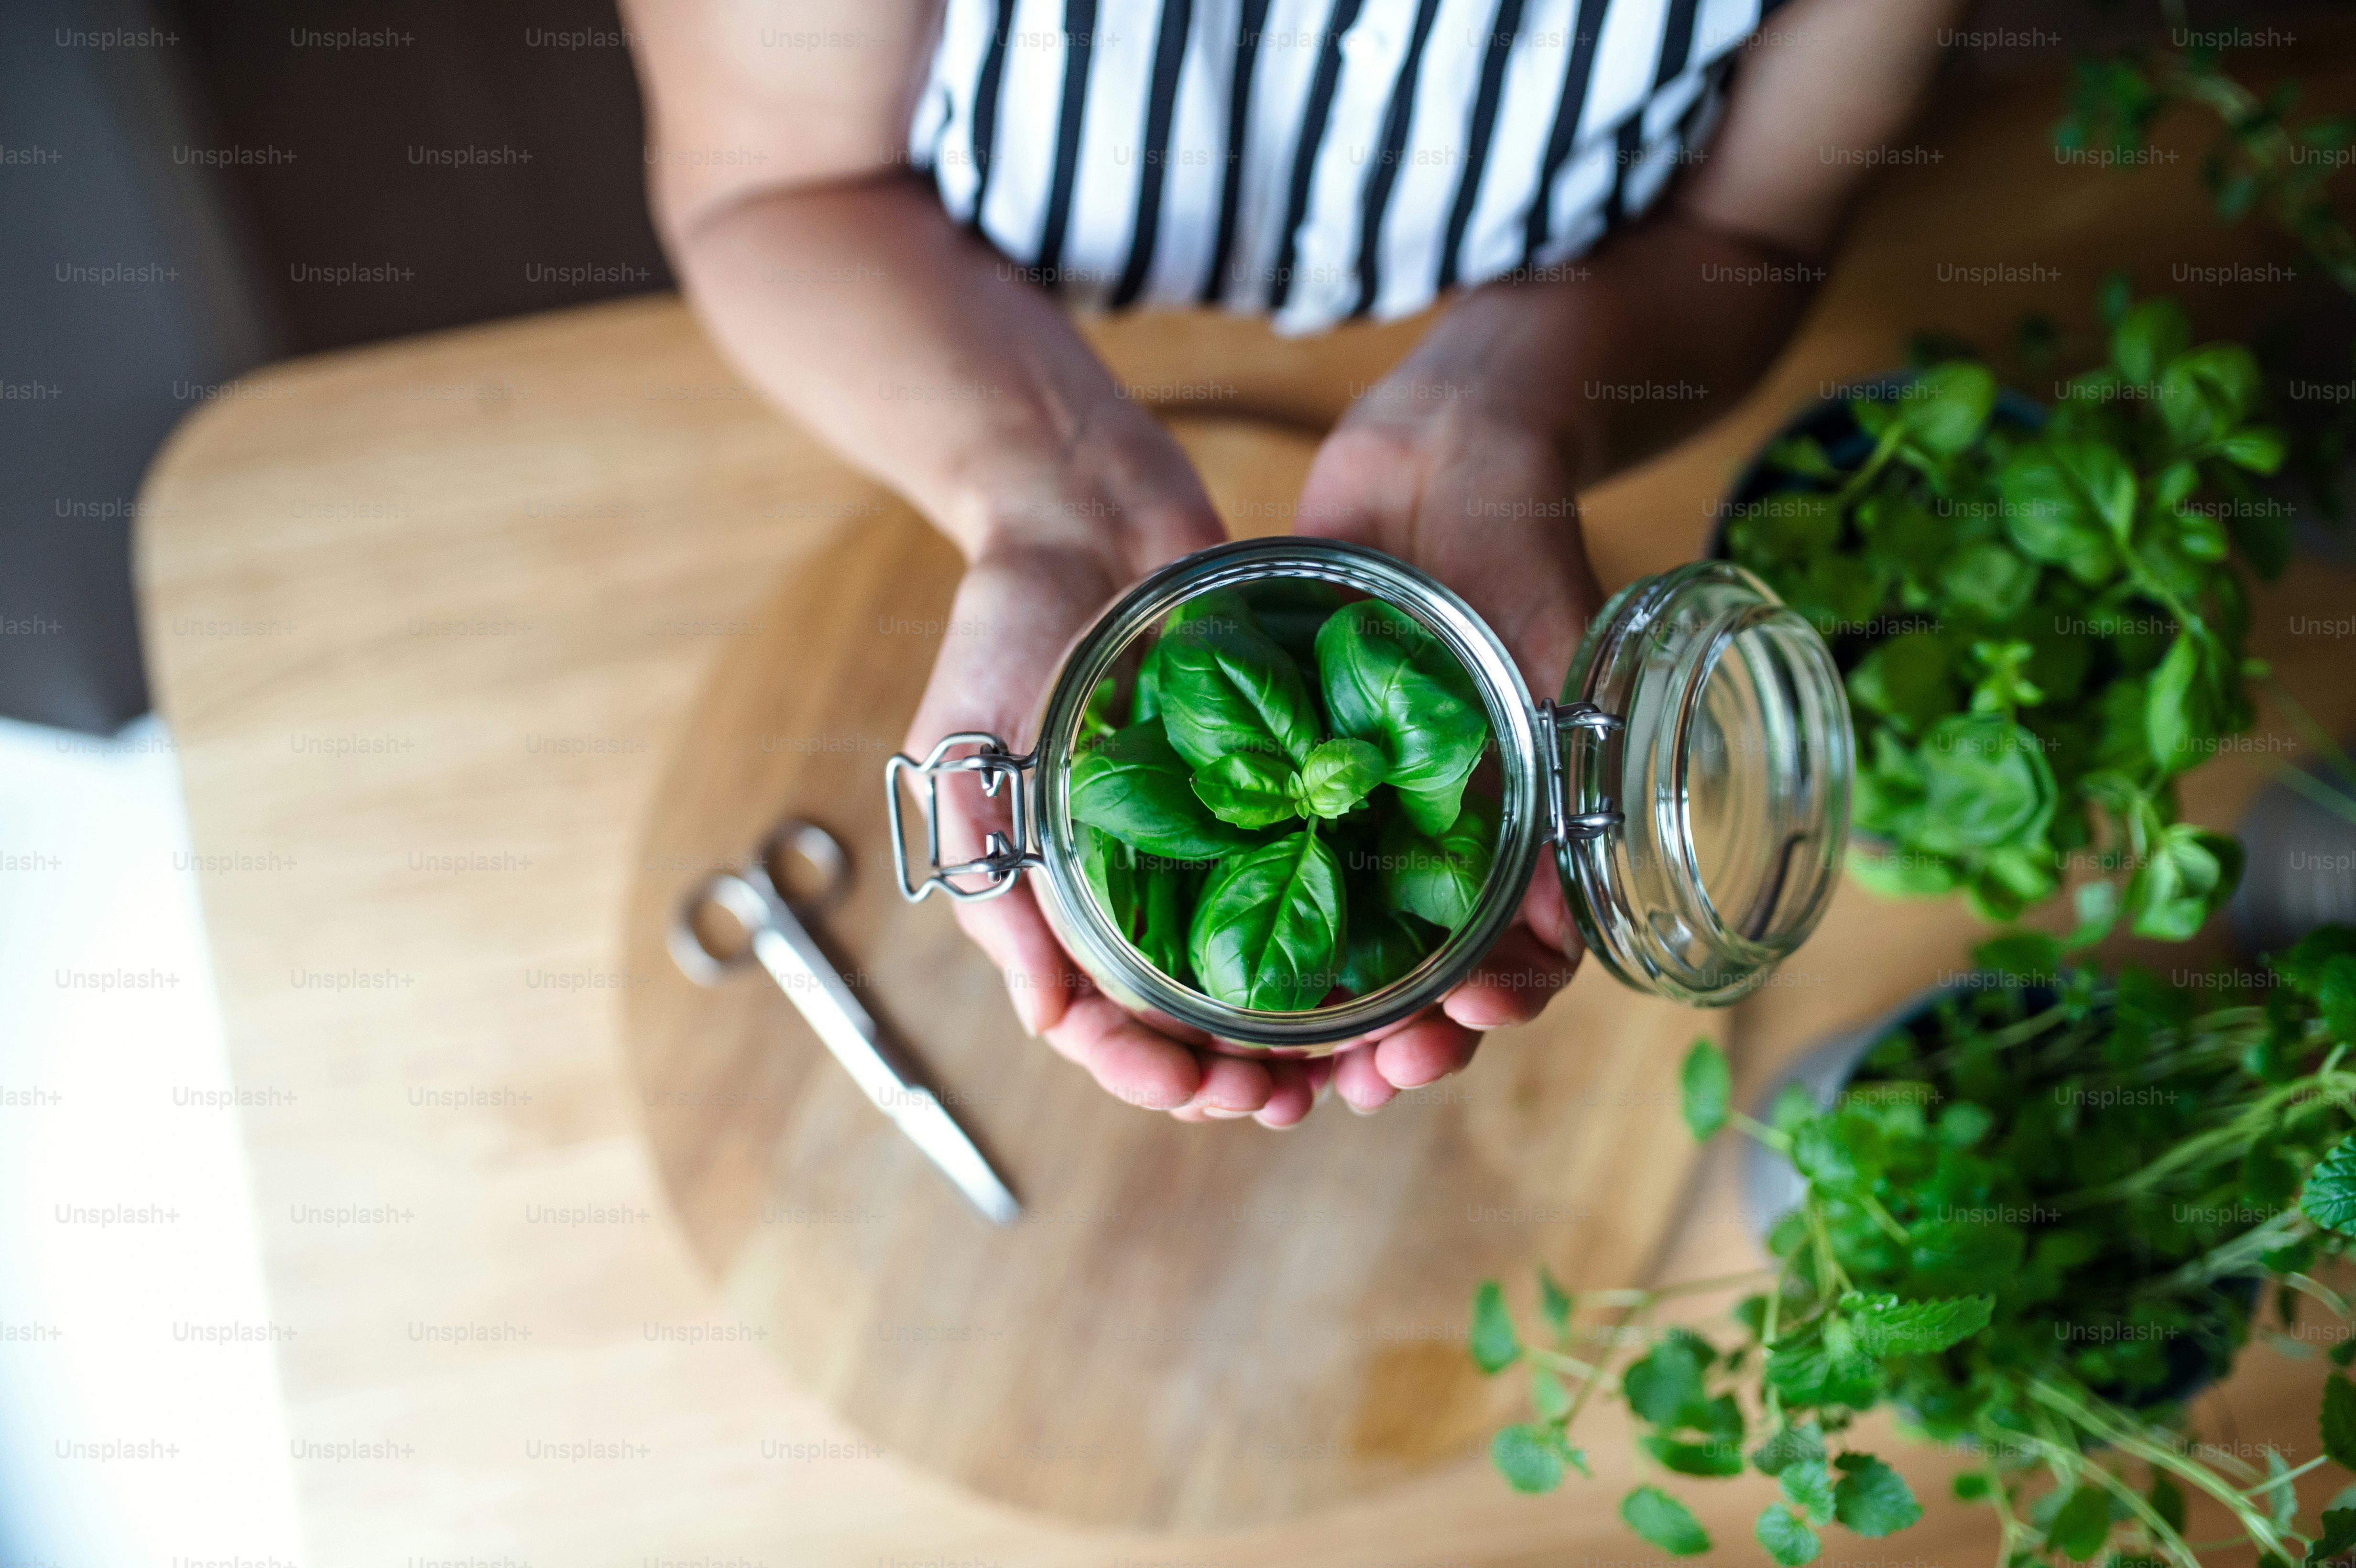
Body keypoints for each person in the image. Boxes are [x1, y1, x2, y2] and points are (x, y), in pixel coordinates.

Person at [622, 0, 1960, 1127]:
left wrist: (1500, 416)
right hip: (980, 338)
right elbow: (767, 194)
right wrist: (1040, 486)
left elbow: (1749, 240)